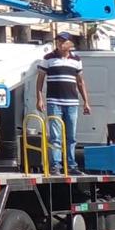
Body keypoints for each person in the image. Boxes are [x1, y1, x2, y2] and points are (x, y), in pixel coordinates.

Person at [36, 31, 91, 174]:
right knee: (55, 136)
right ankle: (55, 166)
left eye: (63, 41)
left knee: (71, 136)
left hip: (72, 102)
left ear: (70, 44)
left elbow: (80, 82)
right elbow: (40, 80)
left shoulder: (76, 60)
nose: (60, 43)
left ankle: (72, 166)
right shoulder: (48, 58)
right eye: (58, 41)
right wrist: (39, 98)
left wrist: (86, 102)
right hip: (54, 102)